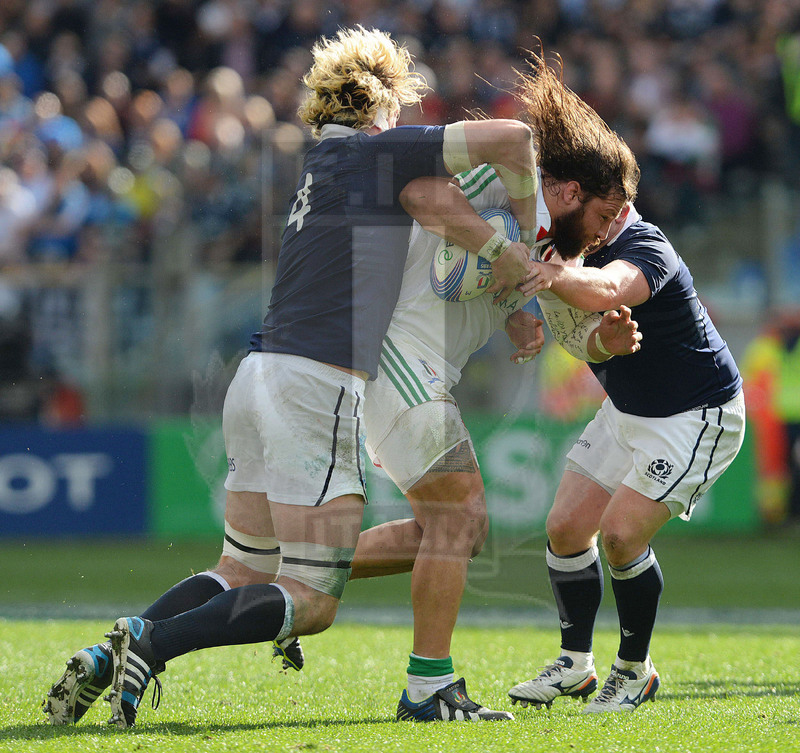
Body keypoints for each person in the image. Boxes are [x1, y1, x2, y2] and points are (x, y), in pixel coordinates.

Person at [43, 25, 540, 728]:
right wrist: (517, 242)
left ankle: (112, 646)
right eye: (400, 100)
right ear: (384, 100)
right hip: (315, 384)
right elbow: (516, 141)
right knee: (312, 597)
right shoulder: (380, 150)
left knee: (241, 569)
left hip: (255, 378)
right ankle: (152, 644)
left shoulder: (321, 162)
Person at [341, 52, 641, 722]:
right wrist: (503, 255)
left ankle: (291, 579)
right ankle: (427, 686)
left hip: (420, 370)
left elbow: (481, 267)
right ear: (568, 193)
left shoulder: (554, 244)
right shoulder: (516, 180)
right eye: (604, 213)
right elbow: (423, 198)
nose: (606, 231)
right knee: (462, 516)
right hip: (395, 354)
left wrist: (517, 312)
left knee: (443, 529)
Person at [505, 197, 745, 713]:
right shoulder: (569, 241)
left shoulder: (646, 244)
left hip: (696, 415)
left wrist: (548, 275)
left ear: (608, 202)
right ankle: (575, 665)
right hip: (629, 409)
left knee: (620, 534)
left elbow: (610, 288)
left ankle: (635, 671)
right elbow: (584, 332)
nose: (556, 200)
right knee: (566, 526)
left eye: (569, 191)